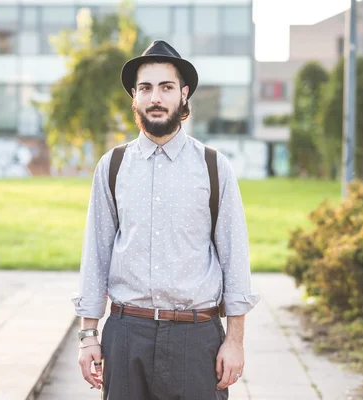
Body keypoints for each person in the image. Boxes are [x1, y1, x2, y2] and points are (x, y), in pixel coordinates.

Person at [71, 40, 259, 400]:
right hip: (126, 336)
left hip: (196, 337)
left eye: (166, 87)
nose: (155, 97)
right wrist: (87, 336)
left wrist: (235, 341)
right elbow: (95, 255)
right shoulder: (112, 167)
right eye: (146, 88)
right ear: (135, 97)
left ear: (183, 95)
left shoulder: (213, 167)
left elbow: (236, 261)